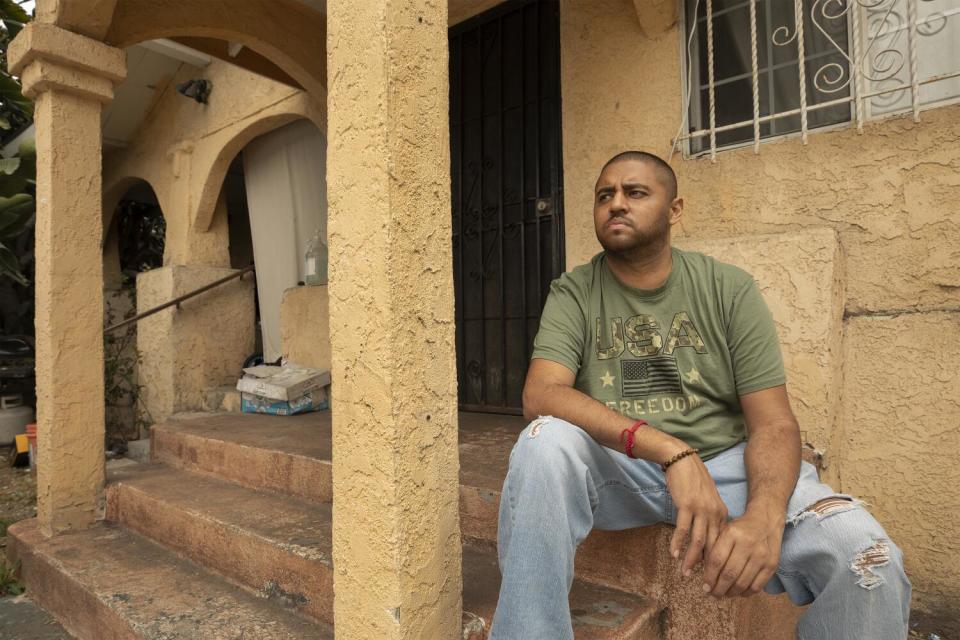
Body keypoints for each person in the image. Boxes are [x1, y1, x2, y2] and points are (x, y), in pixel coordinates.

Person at [489, 151, 911, 639]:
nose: (616, 204)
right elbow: (542, 393)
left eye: (636, 192)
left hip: (729, 470)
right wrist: (672, 453)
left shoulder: (727, 288)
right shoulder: (575, 291)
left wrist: (765, 515)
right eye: (605, 195)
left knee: (864, 552)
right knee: (544, 440)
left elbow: (773, 423)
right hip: (622, 468)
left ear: (675, 209)